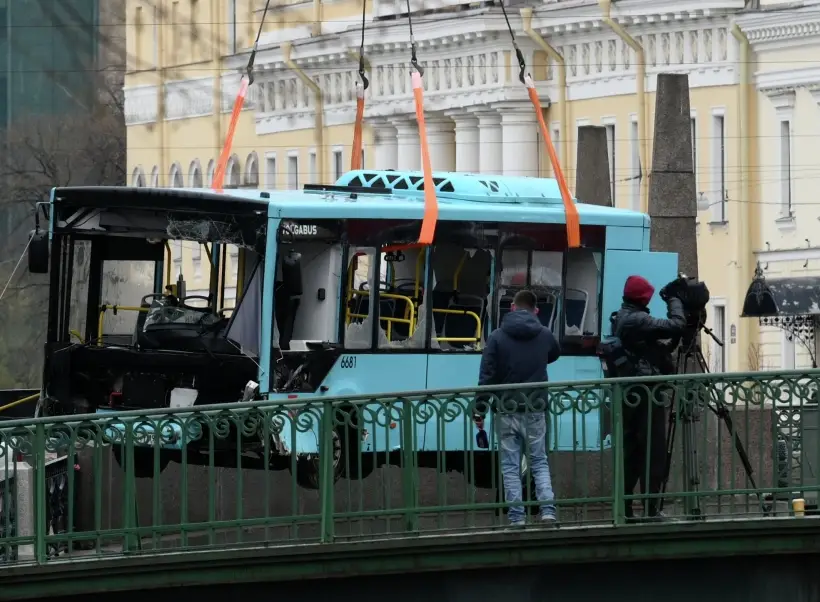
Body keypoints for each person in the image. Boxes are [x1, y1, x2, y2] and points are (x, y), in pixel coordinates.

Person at [478, 289, 561, 527]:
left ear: (512, 307)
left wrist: (479, 409)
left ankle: (516, 518)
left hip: (506, 408)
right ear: (536, 310)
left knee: (510, 466)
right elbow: (555, 353)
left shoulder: (496, 337)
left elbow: (487, 377)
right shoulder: (544, 334)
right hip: (535, 407)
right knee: (539, 460)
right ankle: (547, 512)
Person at [612, 274, 686, 521]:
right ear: (642, 297)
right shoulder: (638, 319)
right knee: (652, 451)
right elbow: (676, 325)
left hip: (634, 392)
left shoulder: (625, 316)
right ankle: (652, 509)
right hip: (646, 394)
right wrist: (674, 299)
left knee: (633, 451)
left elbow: (657, 349)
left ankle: (627, 509)